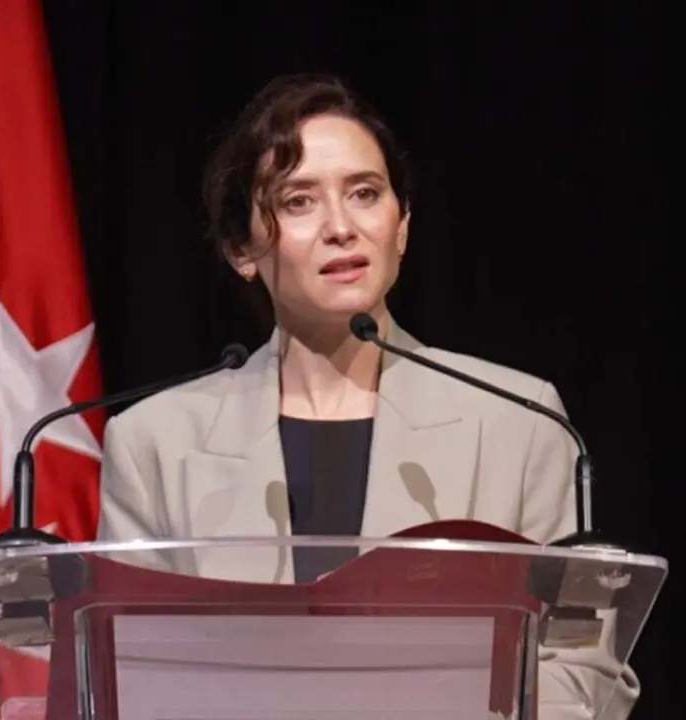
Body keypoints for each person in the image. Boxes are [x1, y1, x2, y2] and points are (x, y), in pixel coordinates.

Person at [96, 73, 639, 720]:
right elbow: (123, 679)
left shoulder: (518, 421)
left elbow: (583, 667)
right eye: (298, 201)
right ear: (241, 247)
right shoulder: (155, 441)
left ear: (402, 226)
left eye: (364, 193)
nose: (341, 227)